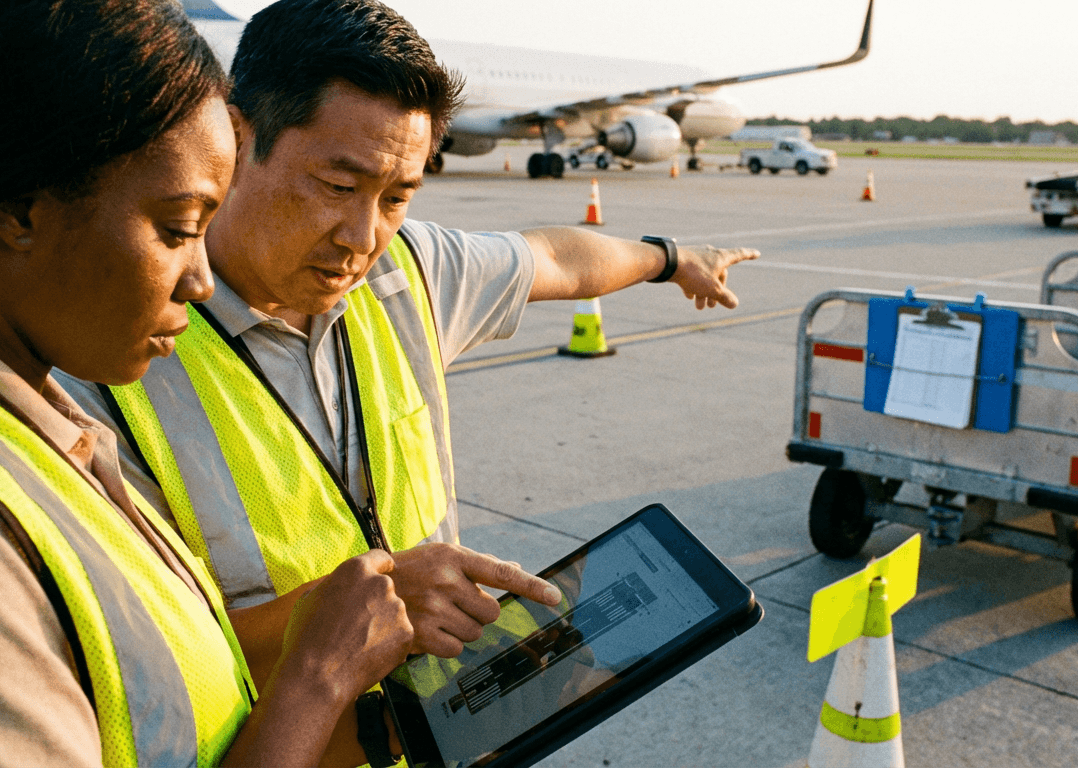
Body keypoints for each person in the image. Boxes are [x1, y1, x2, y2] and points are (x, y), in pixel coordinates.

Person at [56, 0, 750, 762]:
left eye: (396, 197)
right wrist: (372, 606)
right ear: (235, 136)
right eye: (336, 185)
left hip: (437, 737)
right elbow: (141, 666)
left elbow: (556, 258)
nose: (363, 238)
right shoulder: (106, 362)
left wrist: (667, 257)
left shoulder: (407, 271)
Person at [0, 0, 434, 764]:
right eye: (177, 229)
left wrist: (385, 725)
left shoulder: (16, 419)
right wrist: (315, 679)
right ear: (18, 209)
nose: (200, 281)